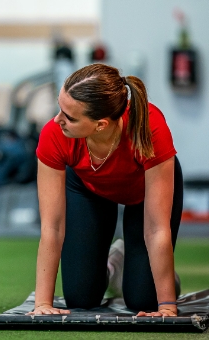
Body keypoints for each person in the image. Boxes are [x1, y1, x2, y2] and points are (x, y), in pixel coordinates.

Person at [29, 63, 183, 317]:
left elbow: (156, 229)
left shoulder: (150, 128)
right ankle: (114, 262)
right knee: (80, 298)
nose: (58, 120)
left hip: (145, 192)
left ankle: (138, 267)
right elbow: (52, 227)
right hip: (86, 188)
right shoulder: (54, 134)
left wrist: (167, 305)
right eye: (60, 108)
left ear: (100, 125)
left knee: (143, 299)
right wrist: (42, 304)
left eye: (70, 117)